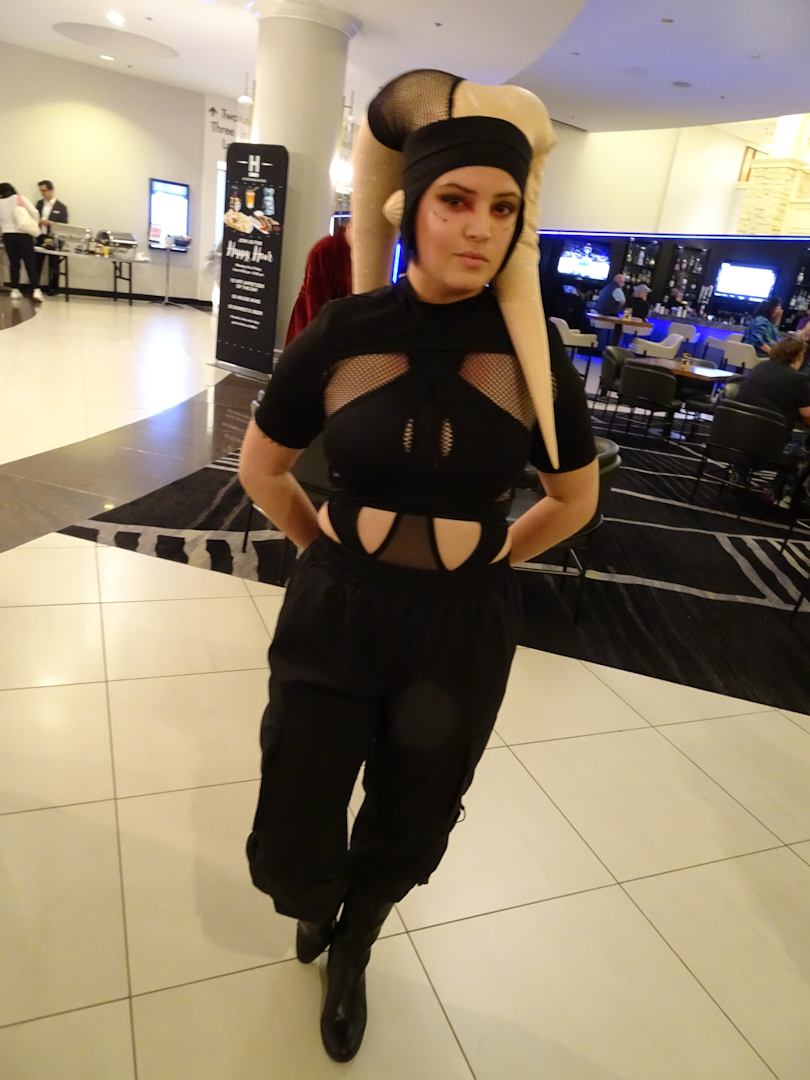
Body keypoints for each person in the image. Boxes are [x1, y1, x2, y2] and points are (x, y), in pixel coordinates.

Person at [238, 69, 597, 1064]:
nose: (479, 227)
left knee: (414, 808)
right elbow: (263, 470)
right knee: (296, 810)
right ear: (413, 207)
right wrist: (323, 555)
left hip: (458, 633)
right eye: (456, 200)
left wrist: (491, 560)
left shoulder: (530, 354)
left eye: (503, 208)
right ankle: (317, 901)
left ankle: (355, 941)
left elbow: (574, 499)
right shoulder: (346, 330)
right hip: (337, 616)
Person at [285, 223, 352, 344]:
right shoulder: (324, 249)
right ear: (349, 227)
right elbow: (315, 301)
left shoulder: (363, 254)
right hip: (314, 324)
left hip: (339, 325)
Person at [735, 335, 810, 431]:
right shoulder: (797, 378)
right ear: (798, 356)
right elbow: (807, 414)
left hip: (739, 424)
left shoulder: (760, 366)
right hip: (771, 430)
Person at [0, 183, 44, 302]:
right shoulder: (20, 198)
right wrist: (33, 225)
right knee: (30, 263)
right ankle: (36, 290)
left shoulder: (0, 202)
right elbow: (35, 213)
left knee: (14, 263)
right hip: (23, 234)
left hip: (8, 235)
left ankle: (15, 290)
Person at [34, 180, 68, 296]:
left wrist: (50, 223)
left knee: (53, 263)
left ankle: (53, 288)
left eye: (44, 190)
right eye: (41, 191)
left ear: (51, 190)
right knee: (36, 262)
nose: (43, 193)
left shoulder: (61, 207)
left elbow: (64, 225)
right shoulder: (39, 204)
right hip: (40, 236)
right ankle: (34, 286)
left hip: (54, 237)